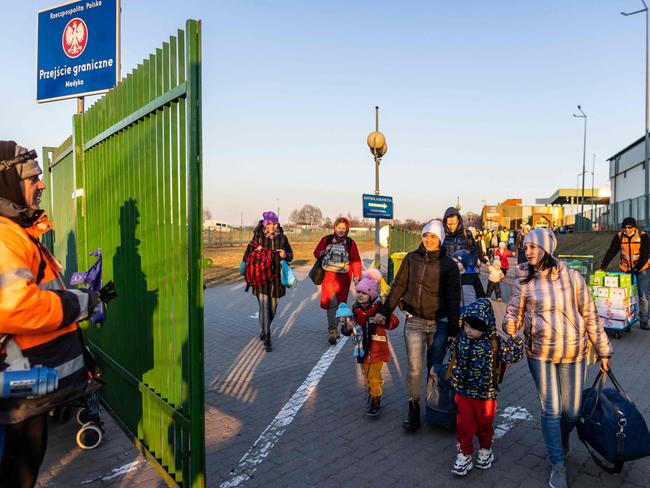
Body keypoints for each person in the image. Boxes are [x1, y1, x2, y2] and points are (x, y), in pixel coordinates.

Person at [0, 141, 101, 487]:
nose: (41, 185)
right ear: (8, 184)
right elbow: (17, 307)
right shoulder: (4, 236)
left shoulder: (18, 233)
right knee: (16, 474)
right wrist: (78, 304)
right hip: (15, 387)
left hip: (25, 389)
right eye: (32, 178)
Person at [503, 227, 612, 488]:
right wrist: (509, 322)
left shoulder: (572, 278)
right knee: (551, 409)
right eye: (525, 247)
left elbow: (590, 314)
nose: (526, 252)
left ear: (546, 249)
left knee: (572, 412)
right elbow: (513, 312)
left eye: (532, 247)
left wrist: (604, 349)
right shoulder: (523, 279)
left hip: (573, 352)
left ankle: (560, 439)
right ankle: (557, 464)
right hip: (539, 354)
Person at [375, 220, 461, 432]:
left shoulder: (449, 266)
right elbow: (398, 286)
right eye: (426, 236)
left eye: (433, 237)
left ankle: (432, 408)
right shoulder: (411, 258)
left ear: (440, 239)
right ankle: (413, 410)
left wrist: (453, 330)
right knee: (414, 368)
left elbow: (453, 299)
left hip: (439, 324)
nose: (429, 240)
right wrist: (384, 312)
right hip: (414, 321)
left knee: (434, 368)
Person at [450, 298, 523, 476]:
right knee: (464, 426)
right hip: (464, 392)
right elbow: (453, 355)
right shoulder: (461, 339)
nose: (468, 330)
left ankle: (485, 450)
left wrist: (514, 337)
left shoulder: (495, 342)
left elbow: (514, 356)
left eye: (473, 327)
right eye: (466, 325)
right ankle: (464, 454)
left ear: (485, 325)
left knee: (485, 425)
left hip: (486, 395)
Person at [340, 269, 399, 417]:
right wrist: (346, 327)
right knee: (367, 375)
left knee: (374, 376)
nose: (360, 295)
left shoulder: (379, 309)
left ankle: (375, 400)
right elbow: (347, 330)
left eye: (364, 292)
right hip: (362, 349)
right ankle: (372, 393)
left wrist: (386, 318)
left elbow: (394, 323)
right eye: (358, 292)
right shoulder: (355, 310)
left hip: (377, 349)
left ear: (371, 295)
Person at [242, 211, 293, 352]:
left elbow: (290, 256)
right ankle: (267, 336)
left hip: (277, 279)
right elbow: (247, 257)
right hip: (260, 279)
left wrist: (285, 255)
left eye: (275, 223)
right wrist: (255, 252)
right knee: (264, 307)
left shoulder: (283, 239)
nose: (272, 226)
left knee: (273, 308)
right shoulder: (257, 238)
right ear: (265, 224)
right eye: (269, 223)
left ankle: (265, 328)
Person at [313, 217, 362, 344]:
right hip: (329, 278)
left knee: (340, 305)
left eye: (343, 228)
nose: (341, 230)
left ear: (347, 230)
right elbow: (316, 253)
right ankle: (332, 330)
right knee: (331, 304)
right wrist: (324, 251)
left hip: (343, 280)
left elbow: (356, 260)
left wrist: (357, 277)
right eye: (339, 228)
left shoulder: (350, 243)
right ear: (334, 228)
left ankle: (338, 326)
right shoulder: (327, 239)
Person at [598, 217, 650, 330]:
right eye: (625, 227)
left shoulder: (642, 235)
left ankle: (644, 321)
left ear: (634, 227)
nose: (627, 229)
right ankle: (625, 320)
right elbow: (611, 251)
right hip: (626, 269)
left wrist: (636, 269)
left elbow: (645, 255)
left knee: (643, 296)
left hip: (642, 269)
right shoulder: (619, 236)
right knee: (624, 296)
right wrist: (603, 267)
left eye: (629, 227)